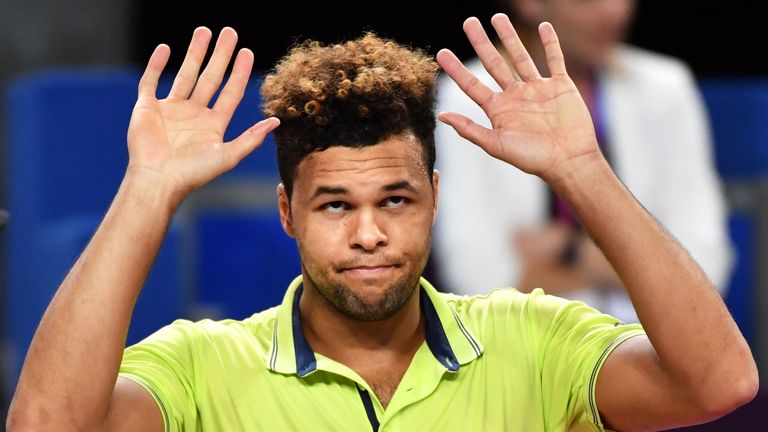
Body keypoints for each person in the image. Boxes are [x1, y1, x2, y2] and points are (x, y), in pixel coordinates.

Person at [7, 15, 757, 432]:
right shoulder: (203, 365)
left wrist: (583, 171)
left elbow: (720, 383)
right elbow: (45, 428)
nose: (369, 233)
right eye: (336, 204)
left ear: (432, 197)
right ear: (287, 214)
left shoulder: (534, 339)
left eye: (394, 200)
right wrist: (146, 192)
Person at [434, 0, 733, 323]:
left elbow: (705, 268)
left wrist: (569, 251)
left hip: (653, 344)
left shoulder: (667, 87)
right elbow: (476, 280)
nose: (616, 11)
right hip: (526, 348)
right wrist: (644, 262)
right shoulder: (468, 96)